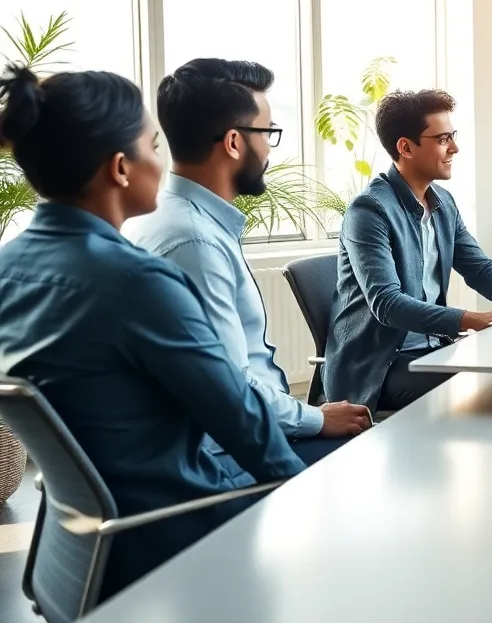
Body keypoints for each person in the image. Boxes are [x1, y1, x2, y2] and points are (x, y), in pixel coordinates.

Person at [0, 64, 305, 599]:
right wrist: (306, 494)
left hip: (80, 546)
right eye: (154, 146)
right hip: (174, 529)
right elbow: (240, 418)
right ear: (121, 168)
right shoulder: (135, 281)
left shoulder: (8, 268)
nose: (162, 163)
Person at [124, 59, 371, 465]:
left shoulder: (171, 218)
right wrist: (314, 418)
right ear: (234, 143)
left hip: (242, 435)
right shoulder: (194, 242)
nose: (270, 150)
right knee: (380, 461)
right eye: (268, 133)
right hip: (231, 455)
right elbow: (229, 389)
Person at [324, 89, 492, 411]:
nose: (454, 148)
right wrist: (471, 319)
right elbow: (387, 304)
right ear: (406, 147)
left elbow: (478, 267)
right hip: (379, 367)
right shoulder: (370, 210)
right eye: (443, 139)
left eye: (452, 136)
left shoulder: (442, 202)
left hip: (433, 349)